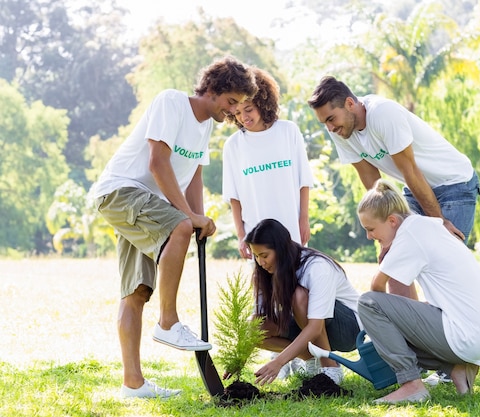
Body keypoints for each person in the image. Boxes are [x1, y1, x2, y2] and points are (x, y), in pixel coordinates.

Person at [91, 56, 258, 399]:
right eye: (231, 102)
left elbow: (193, 174)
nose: (234, 111)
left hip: (148, 204)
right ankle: (168, 322)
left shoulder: (206, 126)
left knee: (136, 291)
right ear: (212, 90)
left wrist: (199, 218)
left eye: (240, 105)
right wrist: (188, 219)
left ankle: (132, 385)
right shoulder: (171, 102)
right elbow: (157, 162)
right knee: (179, 226)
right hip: (122, 192)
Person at [308, 76, 480, 384]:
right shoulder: (342, 131)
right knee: (397, 274)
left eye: (331, 119)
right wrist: (383, 234)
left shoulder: (383, 114)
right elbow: (373, 183)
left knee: (436, 274)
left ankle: (457, 364)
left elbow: (409, 170)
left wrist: (438, 224)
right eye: (325, 123)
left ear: (350, 103)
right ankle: (423, 364)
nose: (330, 128)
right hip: (412, 191)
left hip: (452, 184)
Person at [355, 179, 480, 404]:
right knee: (390, 321)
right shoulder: (424, 225)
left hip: (462, 336)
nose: (369, 236)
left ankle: (411, 385)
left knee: (368, 303)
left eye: (370, 229)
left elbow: (376, 288)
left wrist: (383, 331)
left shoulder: (410, 235)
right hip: (477, 338)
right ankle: (457, 368)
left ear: (392, 221)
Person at [222, 67, 315, 378]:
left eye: (248, 109)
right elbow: (234, 197)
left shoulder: (288, 132)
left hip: (291, 228)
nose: (244, 117)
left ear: (263, 102)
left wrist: (304, 218)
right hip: (258, 236)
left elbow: (304, 180)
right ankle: (287, 359)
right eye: (237, 112)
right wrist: (240, 235)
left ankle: (310, 358)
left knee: (300, 292)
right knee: (267, 302)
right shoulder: (234, 146)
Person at [245, 218, 362, 385]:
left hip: (349, 329)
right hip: (308, 326)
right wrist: (238, 360)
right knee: (254, 326)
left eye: (264, 255)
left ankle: (330, 367)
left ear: (281, 250)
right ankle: (311, 359)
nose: (260, 262)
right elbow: (260, 319)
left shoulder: (316, 267)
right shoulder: (263, 274)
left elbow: (315, 326)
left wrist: (279, 362)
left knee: (298, 296)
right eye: (256, 256)